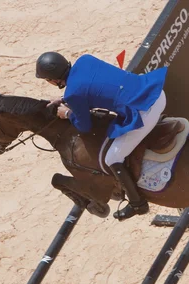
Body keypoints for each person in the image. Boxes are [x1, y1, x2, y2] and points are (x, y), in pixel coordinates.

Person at [35, 51, 168, 221]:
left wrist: (68, 113)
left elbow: (84, 125)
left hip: (145, 112)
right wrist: (66, 98)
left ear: (53, 79)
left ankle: (137, 204)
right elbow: (94, 85)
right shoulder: (85, 60)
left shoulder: (73, 94)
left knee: (113, 157)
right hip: (155, 92)